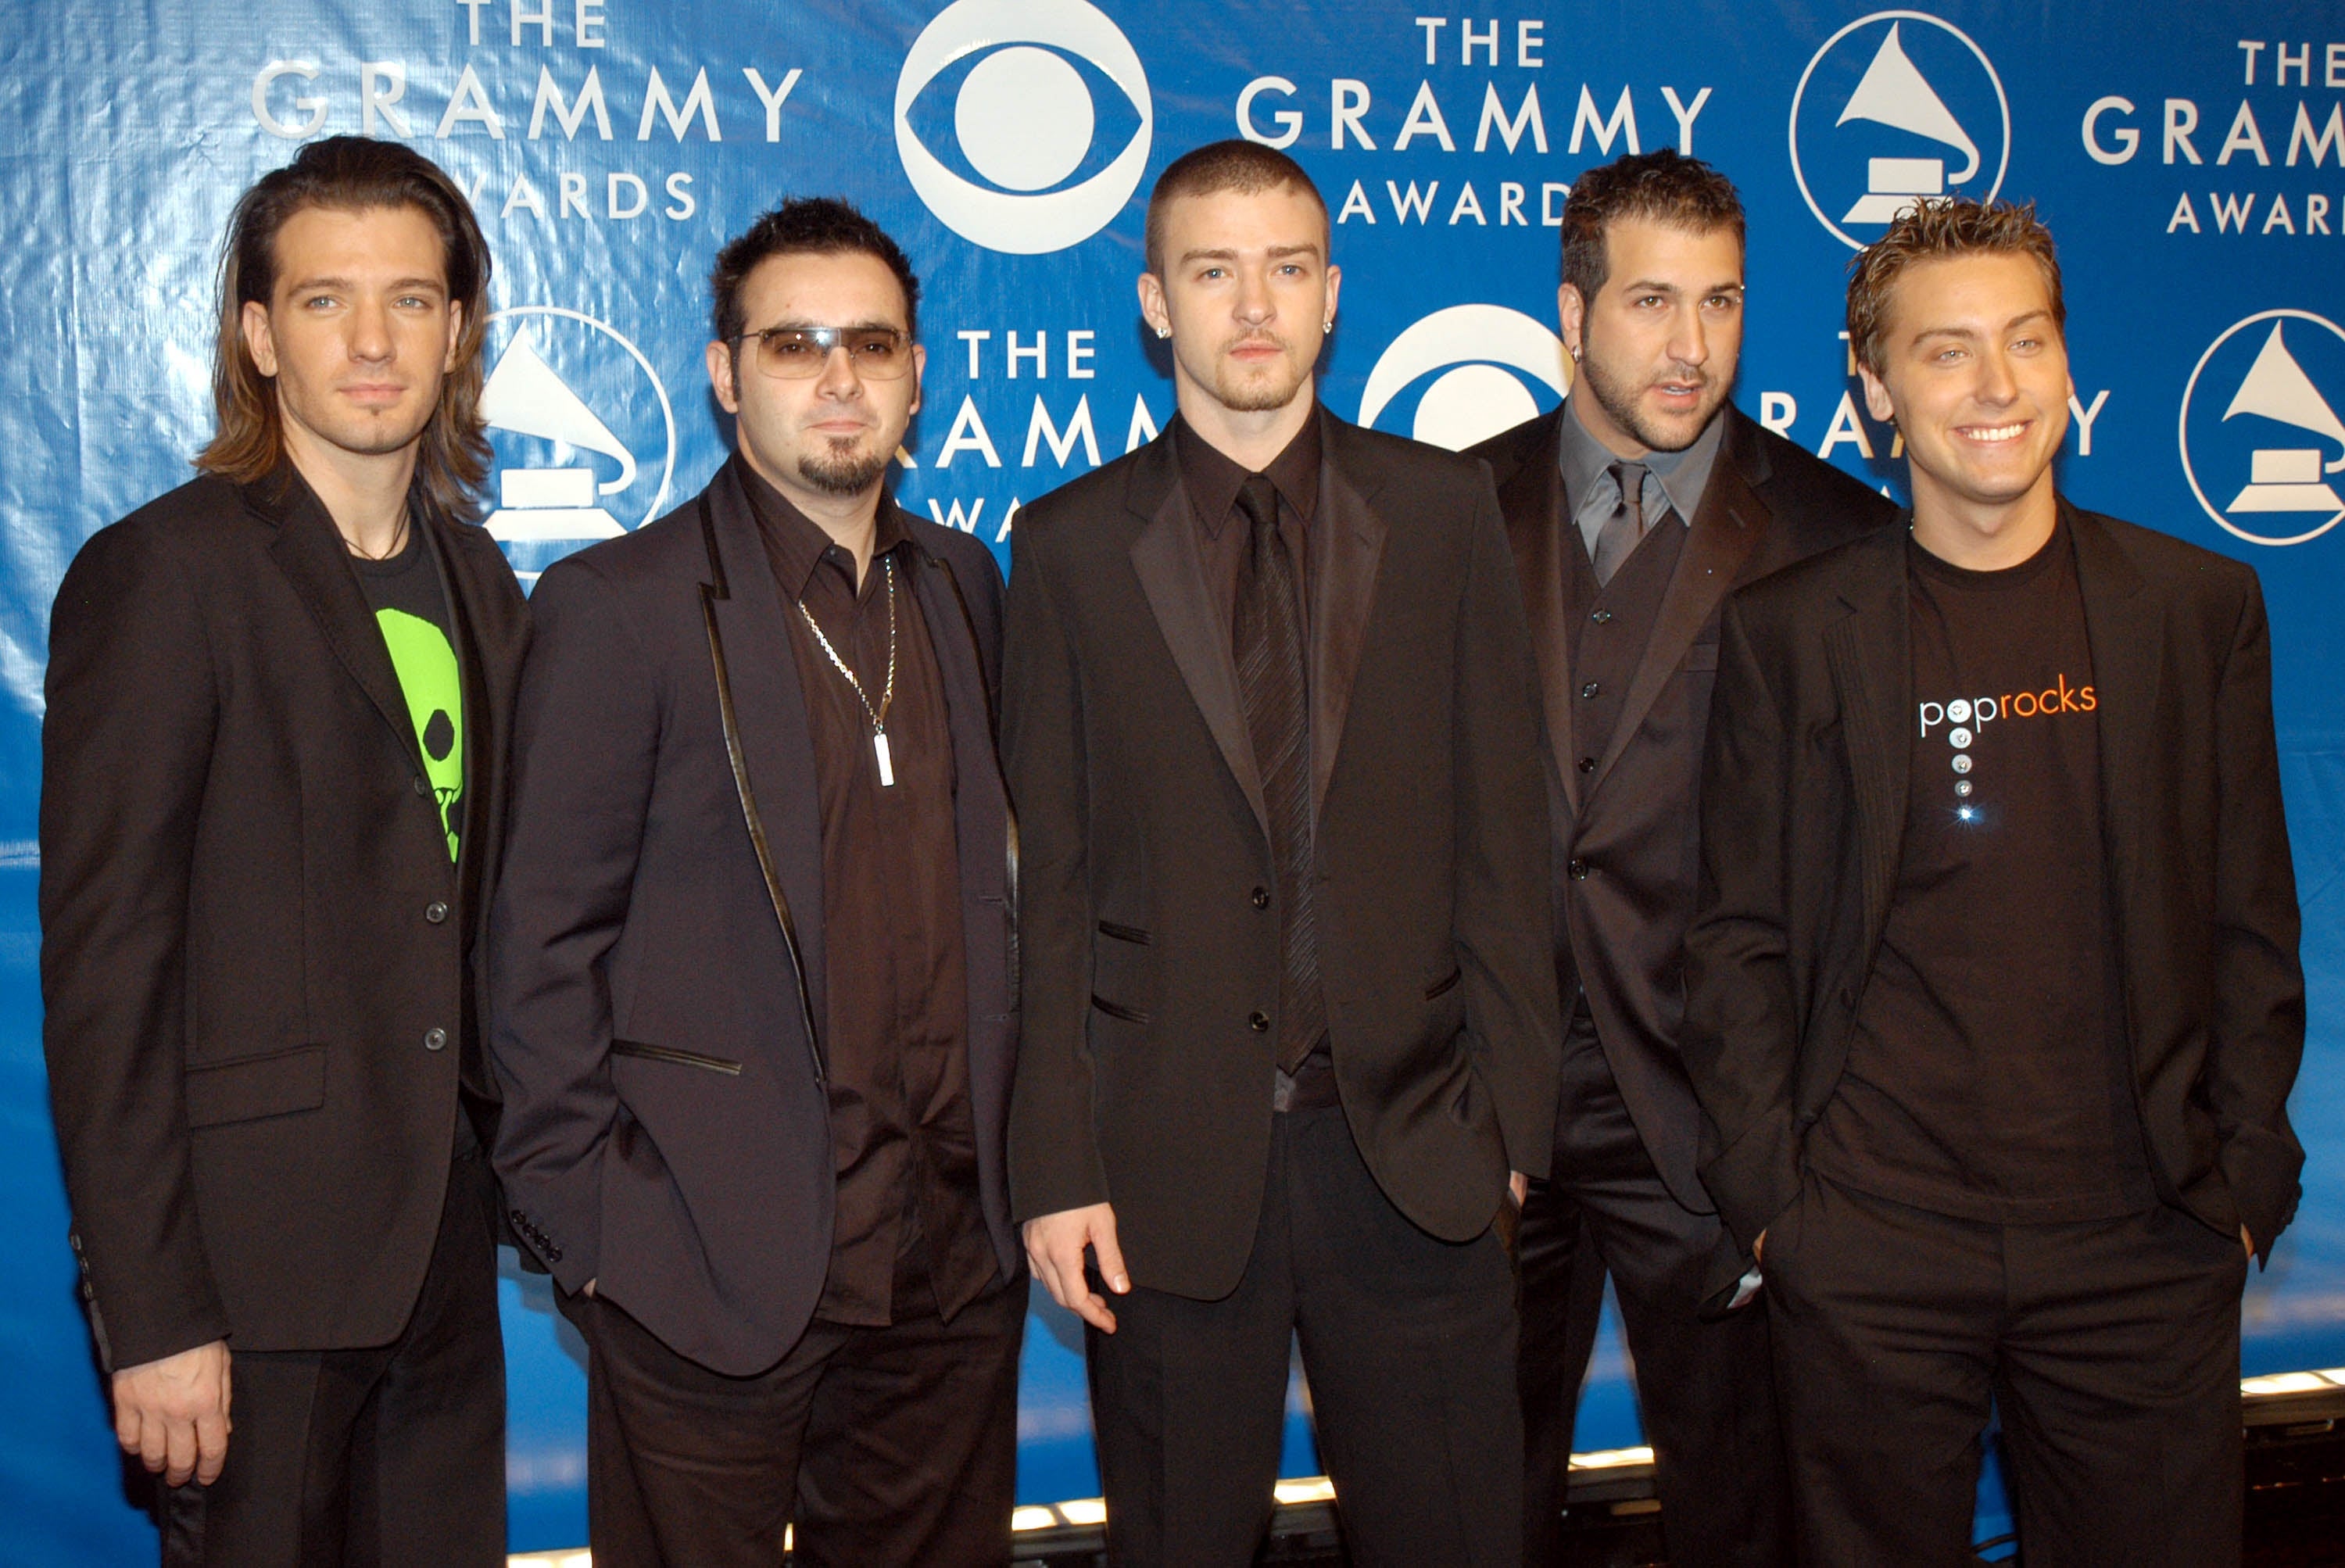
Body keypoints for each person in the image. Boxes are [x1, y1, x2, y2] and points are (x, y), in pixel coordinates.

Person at [1682, 197, 2304, 1567]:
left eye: (2027, 340)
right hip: (1873, 1248)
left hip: (2143, 1241)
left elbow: (2252, 921)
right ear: (1876, 390)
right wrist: (1780, 1210)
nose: (1997, 385)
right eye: (1947, 350)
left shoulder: (2196, 608)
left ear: (2069, 364)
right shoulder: (1791, 635)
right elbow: (1737, 941)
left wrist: (2246, 1177)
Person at [1005, 138, 1559, 1568]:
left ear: (1331, 295)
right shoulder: (1065, 545)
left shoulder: (1441, 512)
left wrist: (1509, 1126)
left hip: (1419, 1157)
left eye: (1286, 269)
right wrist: (1056, 1162)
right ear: (1155, 302)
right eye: (1213, 272)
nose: (1253, 306)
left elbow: (1506, 837)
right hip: (1162, 1172)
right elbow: (1047, 884)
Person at [487, 198, 1022, 1568]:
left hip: (951, 1265)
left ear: (916, 375)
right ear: (727, 374)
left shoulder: (963, 585)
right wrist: (596, 1237)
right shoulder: (622, 605)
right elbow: (538, 947)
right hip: (705, 1271)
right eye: (795, 344)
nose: (839, 377)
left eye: (873, 345)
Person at [41, 135, 527, 1566]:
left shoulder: (481, 577)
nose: (373, 341)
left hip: (445, 1267)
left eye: (410, 300)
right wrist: (153, 1311)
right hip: (248, 1290)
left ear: (458, 332)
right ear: (259, 337)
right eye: (325, 301)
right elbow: (110, 978)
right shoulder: (163, 574)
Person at [1466, 149, 1895, 1567]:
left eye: (1722, 301)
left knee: (1744, 1520)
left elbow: (1859, 873)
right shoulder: (1445, 511)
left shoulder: (1839, 536)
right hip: (1487, 1118)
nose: (1692, 345)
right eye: (1653, 301)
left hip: (1718, 1120)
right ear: (1573, 315)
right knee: (1469, 1514)